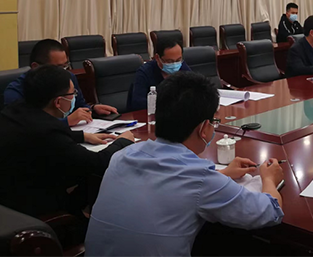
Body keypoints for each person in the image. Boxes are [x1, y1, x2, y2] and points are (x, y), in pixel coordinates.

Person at [85, 72, 284, 257]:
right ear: (203, 128)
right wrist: (269, 180)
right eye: (213, 122)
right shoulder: (200, 177)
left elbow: (169, 185)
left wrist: (223, 174)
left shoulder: (122, 156)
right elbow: (270, 212)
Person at [0, 65, 134, 217]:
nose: (74, 98)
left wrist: (83, 136)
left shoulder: (17, 110)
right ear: (58, 102)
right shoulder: (47, 130)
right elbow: (97, 163)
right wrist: (123, 141)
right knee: (90, 177)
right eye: (72, 94)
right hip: (10, 212)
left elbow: (34, 135)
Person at [4, 39, 117, 127]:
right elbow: (24, 126)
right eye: (57, 67)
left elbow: (79, 105)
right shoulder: (16, 91)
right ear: (36, 67)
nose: (63, 72)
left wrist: (92, 109)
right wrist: (65, 122)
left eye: (65, 66)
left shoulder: (69, 78)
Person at [128, 38, 191, 111]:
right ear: (157, 58)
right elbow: (138, 103)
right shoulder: (144, 72)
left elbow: (196, 91)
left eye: (178, 60)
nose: (174, 64)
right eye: (169, 61)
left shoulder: (183, 67)